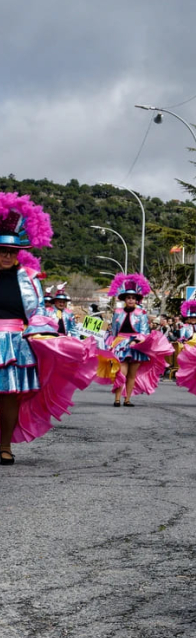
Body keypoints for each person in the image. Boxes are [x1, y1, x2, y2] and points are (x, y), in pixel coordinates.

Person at [0, 193, 96, 465]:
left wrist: (44, 335)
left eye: (12, 251)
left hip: (17, 342)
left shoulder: (28, 278)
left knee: (10, 398)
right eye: (2, 250)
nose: (7, 255)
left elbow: (39, 311)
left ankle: (4, 445)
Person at [97, 274, 172, 407]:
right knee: (121, 372)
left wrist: (136, 341)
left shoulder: (141, 313)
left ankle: (127, 399)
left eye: (133, 298)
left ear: (137, 300)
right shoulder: (118, 312)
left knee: (132, 375)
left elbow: (144, 332)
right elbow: (113, 330)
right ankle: (117, 398)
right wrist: (110, 343)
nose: (131, 300)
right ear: (125, 299)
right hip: (120, 344)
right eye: (128, 298)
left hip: (136, 346)